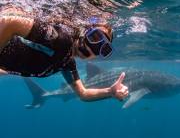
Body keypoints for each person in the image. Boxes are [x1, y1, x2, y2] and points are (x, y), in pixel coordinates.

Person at [0, 7, 129, 101]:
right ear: (84, 31)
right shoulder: (61, 40)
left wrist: (110, 91)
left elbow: (83, 94)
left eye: (103, 48)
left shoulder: (67, 62)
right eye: (95, 37)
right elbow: (9, 22)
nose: (93, 47)